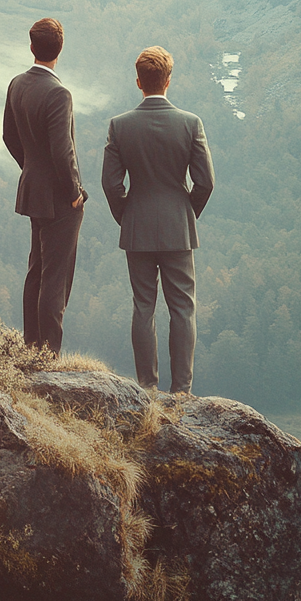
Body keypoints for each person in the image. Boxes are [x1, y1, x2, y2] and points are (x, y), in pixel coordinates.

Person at [101, 45, 215, 394]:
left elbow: (111, 183)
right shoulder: (190, 123)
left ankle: (147, 388)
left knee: (143, 306)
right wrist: (186, 212)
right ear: (169, 80)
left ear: (139, 82)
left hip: (137, 228)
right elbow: (205, 182)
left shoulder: (119, 126)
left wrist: (127, 215)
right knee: (183, 308)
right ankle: (181, 391)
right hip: (178, 228)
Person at [3, 17, 87, 355]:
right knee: (56, 277)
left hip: (33, 190)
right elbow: (62, 150)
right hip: (59, 198)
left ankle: (30, 347)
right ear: (60, 49)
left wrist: (30, 169)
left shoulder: (17, 84)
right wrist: (75, 193)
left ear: (32, 46)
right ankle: (49, 356)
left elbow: (10, 137)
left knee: (36, 270)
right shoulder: (58, 92)